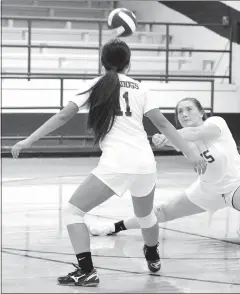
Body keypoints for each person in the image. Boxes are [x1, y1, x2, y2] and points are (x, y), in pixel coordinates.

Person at [11, 39, 207, 287]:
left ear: (102, 62)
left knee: (72, 211)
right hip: (146, 163)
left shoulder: (95, 85)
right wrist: (190, 153)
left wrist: (28, 141)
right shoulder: (140, 88)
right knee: (145, 214)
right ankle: (153, 254)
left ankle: (86, 271)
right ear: (129, 63)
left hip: (117, 163)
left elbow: (62, 116)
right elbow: (164, 124)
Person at [89, 97, 240, 247]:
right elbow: (165, 139)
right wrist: (158, 139)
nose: (184, 114)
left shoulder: (216, 123)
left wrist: (167, 135)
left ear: (201, 112)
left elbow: (194, 133)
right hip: (206, 190)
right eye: (180, 112)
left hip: (237, 185)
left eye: (189, 109)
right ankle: (113, 227)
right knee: (161, 212)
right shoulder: (180, 139)